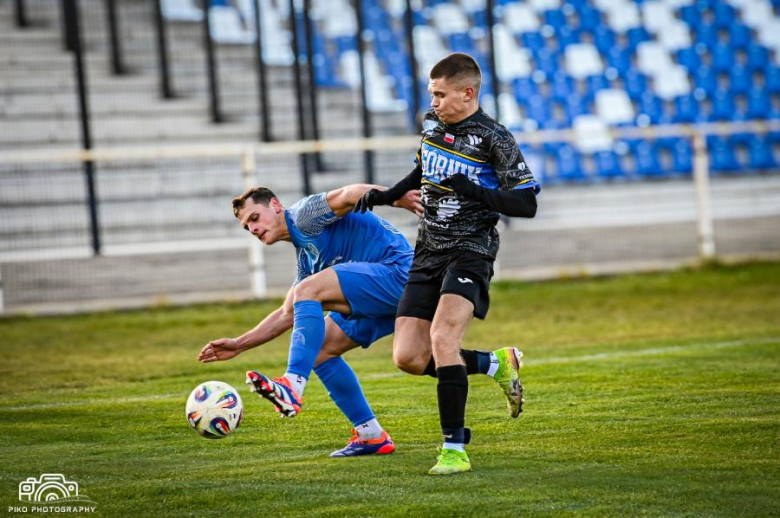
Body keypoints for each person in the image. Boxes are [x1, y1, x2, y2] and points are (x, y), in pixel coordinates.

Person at [354, 52, 540, 475]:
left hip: (470, 251)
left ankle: (454, 448)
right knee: (408, 358)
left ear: (467, 93)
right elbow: (422, 168)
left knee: (443, 336)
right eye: (432, 94)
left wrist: (474, 190)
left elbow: (526, 203)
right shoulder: (432, 124)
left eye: (440, 94)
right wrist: (387, 195)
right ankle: (495, 363)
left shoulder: (495, 138)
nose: (434, 102)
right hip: (427, 252)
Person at [198, 184, 419, 457]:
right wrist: (239, 344)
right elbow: (286, 314)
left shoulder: (305, 215)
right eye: (247, 227)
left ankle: (292, 384)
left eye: (254, 218)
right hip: (388, 294)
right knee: (321, 350)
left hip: (401, 275)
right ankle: (371, 435)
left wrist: (399, 198)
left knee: (308, 291)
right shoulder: (307, 260)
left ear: (276, 206)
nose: (252, 229)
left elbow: (350, 194)